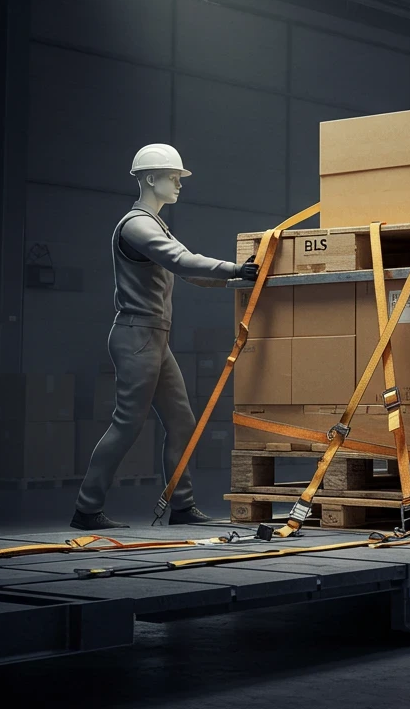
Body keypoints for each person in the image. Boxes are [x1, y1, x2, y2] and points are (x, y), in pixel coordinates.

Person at [71, 144, 259, 530]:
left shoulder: (157, 225)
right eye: (174, 177)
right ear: (150, 178)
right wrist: (235, 268)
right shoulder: (137, 225)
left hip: (154, 337)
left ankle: (182, 505)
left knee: (181, 421)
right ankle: (86, 510)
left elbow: (189, 270)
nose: (179, 184)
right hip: (136, 334)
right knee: (127, 424)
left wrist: (239, 278)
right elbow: (180, 261)